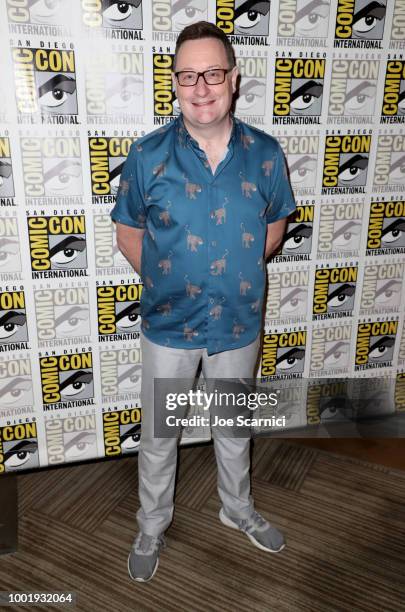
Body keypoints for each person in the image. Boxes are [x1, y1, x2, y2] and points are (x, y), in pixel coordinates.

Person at [111, 21, 296, 583]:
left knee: (233, 428)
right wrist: (172, 281)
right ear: (174, 83)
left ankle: (236, 509)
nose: (201, 87)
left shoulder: (265, 155)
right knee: (160, 435)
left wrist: (233, 275)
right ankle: (151, 525)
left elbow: (277, 224)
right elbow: (128, 234)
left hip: (237, 324)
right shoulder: (147, 156)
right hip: (169, 327)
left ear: (233, 79)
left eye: (213, 73)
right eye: (188, 76)